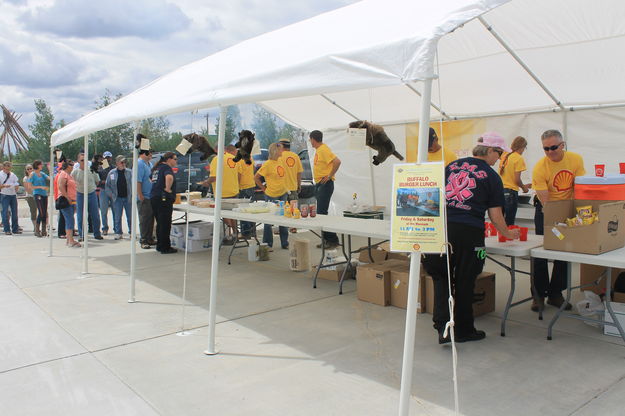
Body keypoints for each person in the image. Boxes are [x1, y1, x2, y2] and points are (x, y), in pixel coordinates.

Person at [422, 133, 519, 344]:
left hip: (439, 229)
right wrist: (508, 233)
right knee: (466, 279)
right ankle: (464, 330)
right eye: (500, 154)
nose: (499, 159)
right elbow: (496, 215)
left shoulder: (452, 166)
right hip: (470, 234)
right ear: (491, 151)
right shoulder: (492, 177)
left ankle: (443, 329)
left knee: (442, 278)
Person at [531, 129, 585, 312]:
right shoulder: (540, 167)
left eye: (554, 147)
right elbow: (544, 199)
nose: (550, 152)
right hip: (545, 208)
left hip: (567, 208)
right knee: (540, 253)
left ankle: (555, 293)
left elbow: (580, 186)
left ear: (562, 145)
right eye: (546, 149)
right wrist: (553, 222)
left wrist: (576, 213)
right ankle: (538, 295)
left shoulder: (576, 159)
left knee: (564, 252)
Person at [204, 145, 242, 242]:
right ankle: (235, 233)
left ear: (217, 150)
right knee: (233, 214)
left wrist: (206, 182)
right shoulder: (235, 158)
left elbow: (214, 177)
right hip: (234, 190)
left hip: (222, 192)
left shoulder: (216, 159)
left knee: (225, 214)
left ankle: (229, 235)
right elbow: (239, 175)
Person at [309, 130, 340, 249]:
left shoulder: (323, 149)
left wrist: (330, 175)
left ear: (313, 139)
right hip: (320, 184)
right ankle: (328, 240)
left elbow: (337, 161)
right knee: (321, 213)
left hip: (325, 184)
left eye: (310, 139)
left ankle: (332, 239)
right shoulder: (319, 150)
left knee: (321, 214)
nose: (310, 142)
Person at [254, 143, 289, 249]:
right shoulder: (268, 164)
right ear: (275, 151)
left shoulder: (281, 161)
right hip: (271, 195)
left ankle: (284, 243)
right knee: (269, 221)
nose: (282, 151)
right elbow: (256, 177)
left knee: (283, 218)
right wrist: (264, 189)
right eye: (281, 149)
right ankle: (268, 244)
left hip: (283, 193)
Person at [499, 136, 531, 225]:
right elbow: (517, 180)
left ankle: (500, 237)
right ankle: (508, 237)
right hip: (511, 192)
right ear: (522, 147)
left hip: (500, 191)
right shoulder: (518, 158)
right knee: (509, 221)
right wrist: (524, 188)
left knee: (500, 221)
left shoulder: (505, 155)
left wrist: (525, 185)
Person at [150, 152, 178, 254]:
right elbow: (169, 178)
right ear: (168, 159)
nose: (176, 161)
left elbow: (150, 179)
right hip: (163, 198)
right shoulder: (166, 168)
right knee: (165, 223)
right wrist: (167, 188)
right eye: (175, 159)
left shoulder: (157, 168)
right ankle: (165, 247)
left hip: (154, 197)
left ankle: (160, 245)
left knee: (160, 223)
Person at [72, 153, 103, 241]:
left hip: (91, 193)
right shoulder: (75, 172)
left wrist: (91, 187)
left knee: (95, 215)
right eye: (82, 160)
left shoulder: (92, 170)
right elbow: (72, 182)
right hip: (80, 194)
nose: (84, 162)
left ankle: (97, 233)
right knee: (80, 216)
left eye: (85, 160)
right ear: (78, 161)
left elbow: (97, 181)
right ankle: (82, 235)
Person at [106, 155, 133, 240]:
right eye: (121, 162)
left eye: (124, 162)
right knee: (117, 216)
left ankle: (131, 232)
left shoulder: (130, 172)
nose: (123, 164)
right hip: (117, 198)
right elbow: (107, 185)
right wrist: (112, 195)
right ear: (117, 163)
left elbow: (134, 183)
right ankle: (118, 232)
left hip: (128, 197)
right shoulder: (111, 173)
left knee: (130, 216)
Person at [57, 159, 80, 248]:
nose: (72, 166)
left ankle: (69, 239)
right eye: (71, 164)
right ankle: (70, 240)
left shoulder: (69, 175)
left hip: (72, 200)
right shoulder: (63, 174)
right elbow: (61, 187)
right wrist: (67, 198)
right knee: (69, 220)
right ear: (66, 165)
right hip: (65, 200)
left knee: (70, 219)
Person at [137, 149, 156, 249]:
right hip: (144, 196)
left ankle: (149, 238)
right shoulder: (139, 164)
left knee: (150, 218)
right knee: (144, 219)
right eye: (150, 153)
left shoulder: (149, 164)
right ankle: (143, 240)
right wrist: (140, 195)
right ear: (143, 154)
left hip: (150, 196)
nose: (151, 155)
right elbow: (138, 181)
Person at [236, 149, 256, 239]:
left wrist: (237, 186)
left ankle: (245, 233)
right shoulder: (250, 158)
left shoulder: (239, 160)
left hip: (243, 187)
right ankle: (252, 231)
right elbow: (254, 168)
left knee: (243, 211)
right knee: (251, 210)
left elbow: (239, 175)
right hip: (251, 185)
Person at [27, 160, 50, 237]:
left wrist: (51, 171)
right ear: (37, 165)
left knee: (44, 211)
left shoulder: (42, 174)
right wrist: (40, 187)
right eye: (40, 165)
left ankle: (44, 230)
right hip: (37, 194)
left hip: (44, 194)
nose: (42, 166)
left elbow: (49, 178)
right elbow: (30, 186)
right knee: (41, 211)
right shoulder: (32, 174)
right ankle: (37, 229)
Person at [0, 161, 21, 235]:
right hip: (4, 195)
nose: (8, 170)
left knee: (15, 213)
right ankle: (7, 229)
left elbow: (17, 182)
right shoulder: (0, 174)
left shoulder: (12, 174)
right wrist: (4, 186)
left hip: (13, 195)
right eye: (7, 168)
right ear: (4, 167)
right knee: (5, 213)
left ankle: (15, 229)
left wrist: (16, 187)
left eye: (9, 168)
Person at [99, 151, 114, 235]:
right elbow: (97, 181)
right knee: (103, 211)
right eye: (106, 158)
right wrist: (103, 181)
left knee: (115, 210)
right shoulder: (99, 168)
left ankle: (117, 228)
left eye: (109, 157)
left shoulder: (113, 168)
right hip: (103, 190)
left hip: (112, 190)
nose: (107, 159)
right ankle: (105, 228)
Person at [23, 164, 38, 235]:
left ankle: (46, 225)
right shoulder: (26, 178)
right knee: (33, 211)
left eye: (30, 168)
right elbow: (28, 189)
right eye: (28, 169)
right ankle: (35, 227)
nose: (29, 170)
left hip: (39, 196)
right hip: (31, 197)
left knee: (42, 211)